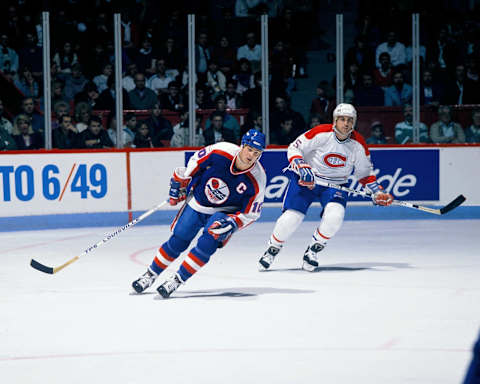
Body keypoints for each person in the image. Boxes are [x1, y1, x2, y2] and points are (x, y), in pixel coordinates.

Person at [131, 129, 267, 298]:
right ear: (242, 146)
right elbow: (197, 160)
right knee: (178, 240)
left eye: (257, 152)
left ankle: (177, 279)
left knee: (208, 243)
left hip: (224, 212)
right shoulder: (221, 151)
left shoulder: (257, 179)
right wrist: (184, 180)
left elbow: (251, 213)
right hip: (199, 201)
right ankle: (150, 274)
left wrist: (234, 223)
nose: (251, 155)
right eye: (249, 149)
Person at [258, 103, 393, 272]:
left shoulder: (358, 143)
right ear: (335, 120)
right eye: (342, 119)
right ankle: (272, 249)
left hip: (335, 185)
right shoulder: (321, 132)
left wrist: (377, 191)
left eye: (349, 120)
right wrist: (301, 165)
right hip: (308, 180)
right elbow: (295, 147)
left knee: (335, 216)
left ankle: (313, 251)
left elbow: (364, 173)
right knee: (291, 218)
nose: (346, 124)